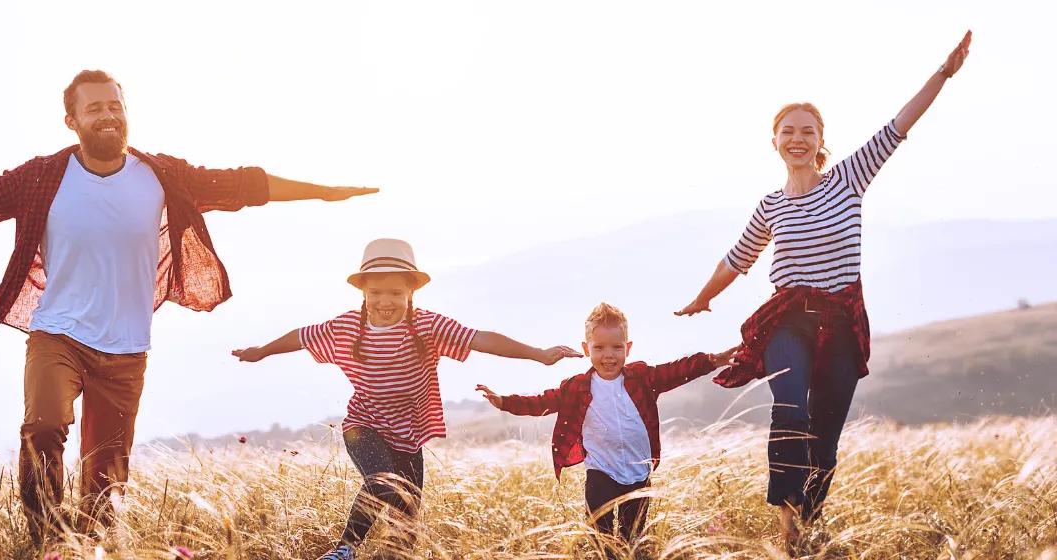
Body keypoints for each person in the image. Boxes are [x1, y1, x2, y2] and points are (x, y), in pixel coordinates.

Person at [0, 70, 379, 544]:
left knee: (106, 475)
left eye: (116, 106)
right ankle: (43, 540)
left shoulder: (163, 175)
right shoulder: (41, 178)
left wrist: (327, 192)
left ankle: (88, 549)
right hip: (57, 333)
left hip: (127, 347)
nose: (107, 116)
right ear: (72, 122)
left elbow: (243, 185)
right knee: (44, 426)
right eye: (94, 109)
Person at [674, 32, 973, 545]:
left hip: (841, 321)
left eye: (807, 131)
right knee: (790, 409)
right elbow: (736, 259)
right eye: (788, 131)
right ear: (774, 141)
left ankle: (806, 530)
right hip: (788, 320)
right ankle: (787, 524)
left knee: (825, 441)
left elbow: (899, 125)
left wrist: (942, 74)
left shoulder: (849, 178)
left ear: (820, 140)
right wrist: (704, 298)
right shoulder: (770, 206)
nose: (797, 139)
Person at [231, 238, 583, 560]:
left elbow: (481, 339)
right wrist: (261, 351)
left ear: (410, 294)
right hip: (363, 426)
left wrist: (538, 354)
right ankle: (344, 550)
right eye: (377, 293)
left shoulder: (428, 327)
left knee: (407, 524)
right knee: (382, 480)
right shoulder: (347, 328)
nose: (386, 301)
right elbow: (301, 336)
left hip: (408, 436)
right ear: (363, 293)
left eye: (396, 293)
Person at [476, 303, 739, 557]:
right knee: (600, 536)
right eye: (599, 347)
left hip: (638, 473)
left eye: (617, 347)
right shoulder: (577, 387)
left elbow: (678, 370)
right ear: (586, 348)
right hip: (600, 471)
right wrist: (504, 402)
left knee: (630, 540)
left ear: (629, 348)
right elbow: (542, 402)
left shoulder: (642, 379)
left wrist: (713, 360)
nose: (608, 355)